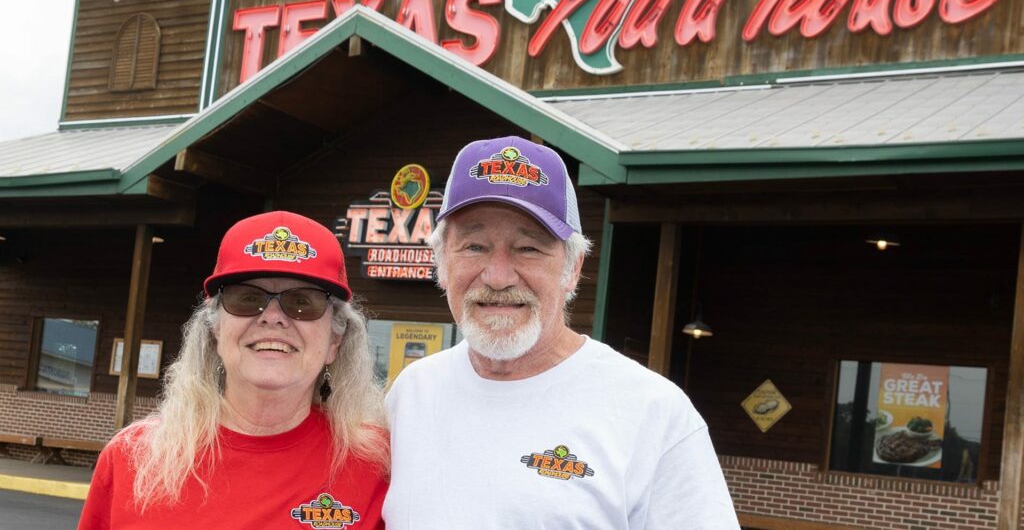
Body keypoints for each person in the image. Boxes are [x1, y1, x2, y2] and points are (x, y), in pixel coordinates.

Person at [383, 136, 740, 529]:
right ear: (442, 264)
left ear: (572, 269)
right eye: (474, 246)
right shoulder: (411, 392)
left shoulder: (654, 414)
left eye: (529, 249)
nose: (498, 276)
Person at [79, 211, 388, 529]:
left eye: (302, 302)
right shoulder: (133, 458)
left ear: (335, 340)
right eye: (247, 298)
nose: (272, 317)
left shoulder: (381, 465)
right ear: (215, 330)